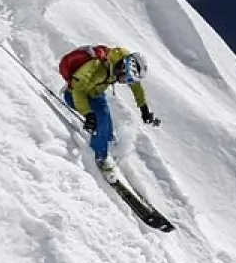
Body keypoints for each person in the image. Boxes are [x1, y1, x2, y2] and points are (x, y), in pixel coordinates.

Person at [58, 44, 162, 181]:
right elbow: (78, 89)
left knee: (107, 126)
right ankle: (100, 157)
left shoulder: (120, 65)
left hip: (95, 93)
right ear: (123, 68)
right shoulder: (96, 66)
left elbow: (137, 87)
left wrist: (144, 109)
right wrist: (88, 114)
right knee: (100, 120)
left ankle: (108, 146)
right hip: (75, 95)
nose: (127, 82)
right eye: (128, 79)